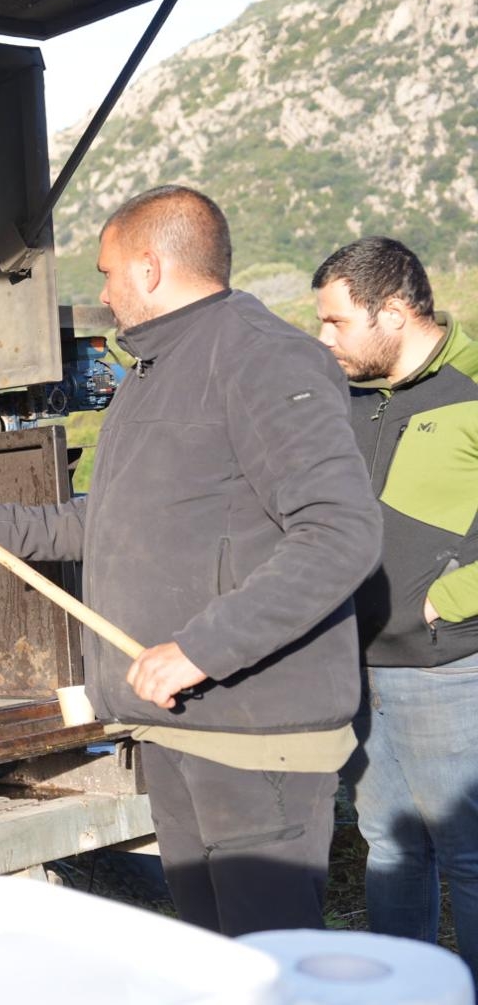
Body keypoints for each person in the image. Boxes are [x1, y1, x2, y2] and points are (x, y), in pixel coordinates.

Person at [0, 185, 381, 936]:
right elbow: (111, 520)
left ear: (150, 267)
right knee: (210, 960)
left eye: (106, 274)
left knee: (266, 965)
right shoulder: (153, 370)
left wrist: (201, 648)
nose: (99, 295)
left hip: (252, 737)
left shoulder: (263, 358)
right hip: (175, 728)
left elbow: (341, 532)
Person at [313, 236, 478, 978]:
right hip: (361, 664)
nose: (324, 339)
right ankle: (404, 992)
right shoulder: (345, 398)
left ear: (395, 311)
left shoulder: (472, 386)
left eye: (336, 322)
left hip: (451, 669)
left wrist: (452, 598)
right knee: (386, 842)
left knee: (470, 854)